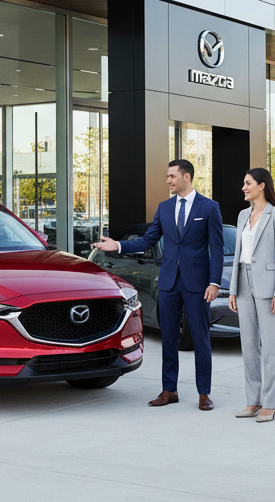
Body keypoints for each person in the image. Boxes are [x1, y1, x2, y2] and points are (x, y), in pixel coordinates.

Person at [93, 159, 224, 410]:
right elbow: (147, 240)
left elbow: (217, 249)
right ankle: (169, 390)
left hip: (197, 284)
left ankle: (204, 393)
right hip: (168, 283)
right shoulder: (164, 208)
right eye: (167, 176)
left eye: (172, 176)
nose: (168, 181)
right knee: (169, 339)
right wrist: (118, 245)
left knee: (201, 338)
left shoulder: (209, 207)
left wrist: (214, 282)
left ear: (186, 177)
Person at [228, 167, 275, 423]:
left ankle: (270, 403)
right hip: (243, 282)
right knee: (249, 347)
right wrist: (233, 289)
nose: (244, 187)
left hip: (267, 286)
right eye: (244, 183)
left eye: (248, 183)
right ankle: (253, 401)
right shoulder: (243, 215)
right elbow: (237, 255)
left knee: (270, 347)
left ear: (262, 185)